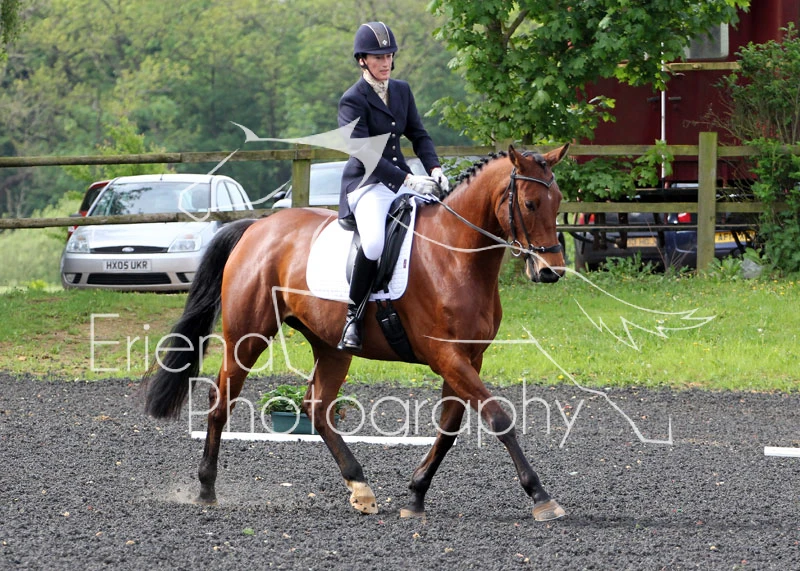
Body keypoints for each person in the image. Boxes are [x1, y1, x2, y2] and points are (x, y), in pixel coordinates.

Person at [337, 21, 449, 352]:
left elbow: (419, 134)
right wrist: (407, 180)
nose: (385, 62)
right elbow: (364, 153)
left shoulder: (401, 90)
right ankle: (353, 319)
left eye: (389, 56)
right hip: (367, 184)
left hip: (403, 179)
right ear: (362, 60)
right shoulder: (352, 100)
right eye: (378, 57)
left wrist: (435, 168)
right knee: (373, 244)